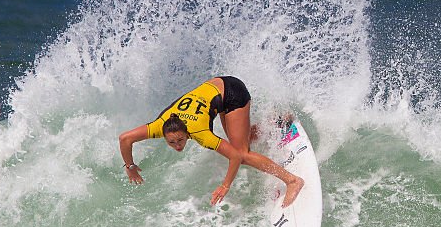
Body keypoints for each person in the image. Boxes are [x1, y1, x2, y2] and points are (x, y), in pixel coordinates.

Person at [118, 76, 304, 207]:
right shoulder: (159, 125)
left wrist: (225, 186)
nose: (178, 146)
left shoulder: (200, 132)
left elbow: (236, 157)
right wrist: (130, 165)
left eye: (181, 140)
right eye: (172, 142)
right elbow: (125, 139)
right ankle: (276, 122)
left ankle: (292, 181)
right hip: (214, 87)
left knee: (243, 153)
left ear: (187, 132)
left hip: (232, 92)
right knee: (240, 141)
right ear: (163, 135)